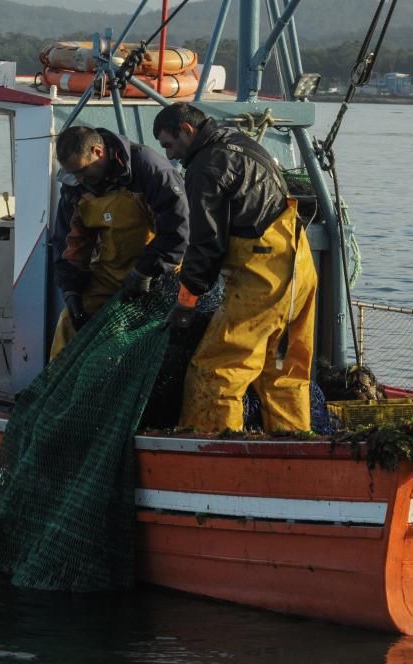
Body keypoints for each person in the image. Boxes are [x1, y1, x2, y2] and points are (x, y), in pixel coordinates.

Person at [152, 102, 317, 432]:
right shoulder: (240, 142)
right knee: (281, 368)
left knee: (215, 368)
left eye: (169, 145)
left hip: (264, 277)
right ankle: (294, 442)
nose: (170, 156)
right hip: (299, 265)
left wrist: (186, 303)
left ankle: (209, 445)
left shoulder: (205, 167)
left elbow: (206, 245)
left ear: (187, 130)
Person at [49, 125, 189, 358]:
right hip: (110, 273)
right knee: (68, 323)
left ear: (98, 151)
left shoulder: (149, 169)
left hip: (160, 274)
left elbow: (178, 233)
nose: (80, 180)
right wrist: (71, 291)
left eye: (83, 172)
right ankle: (54, 388)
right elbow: (69, 244)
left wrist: (144, 273)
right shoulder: (76, 183)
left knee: (150, 336)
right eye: (74, 174)